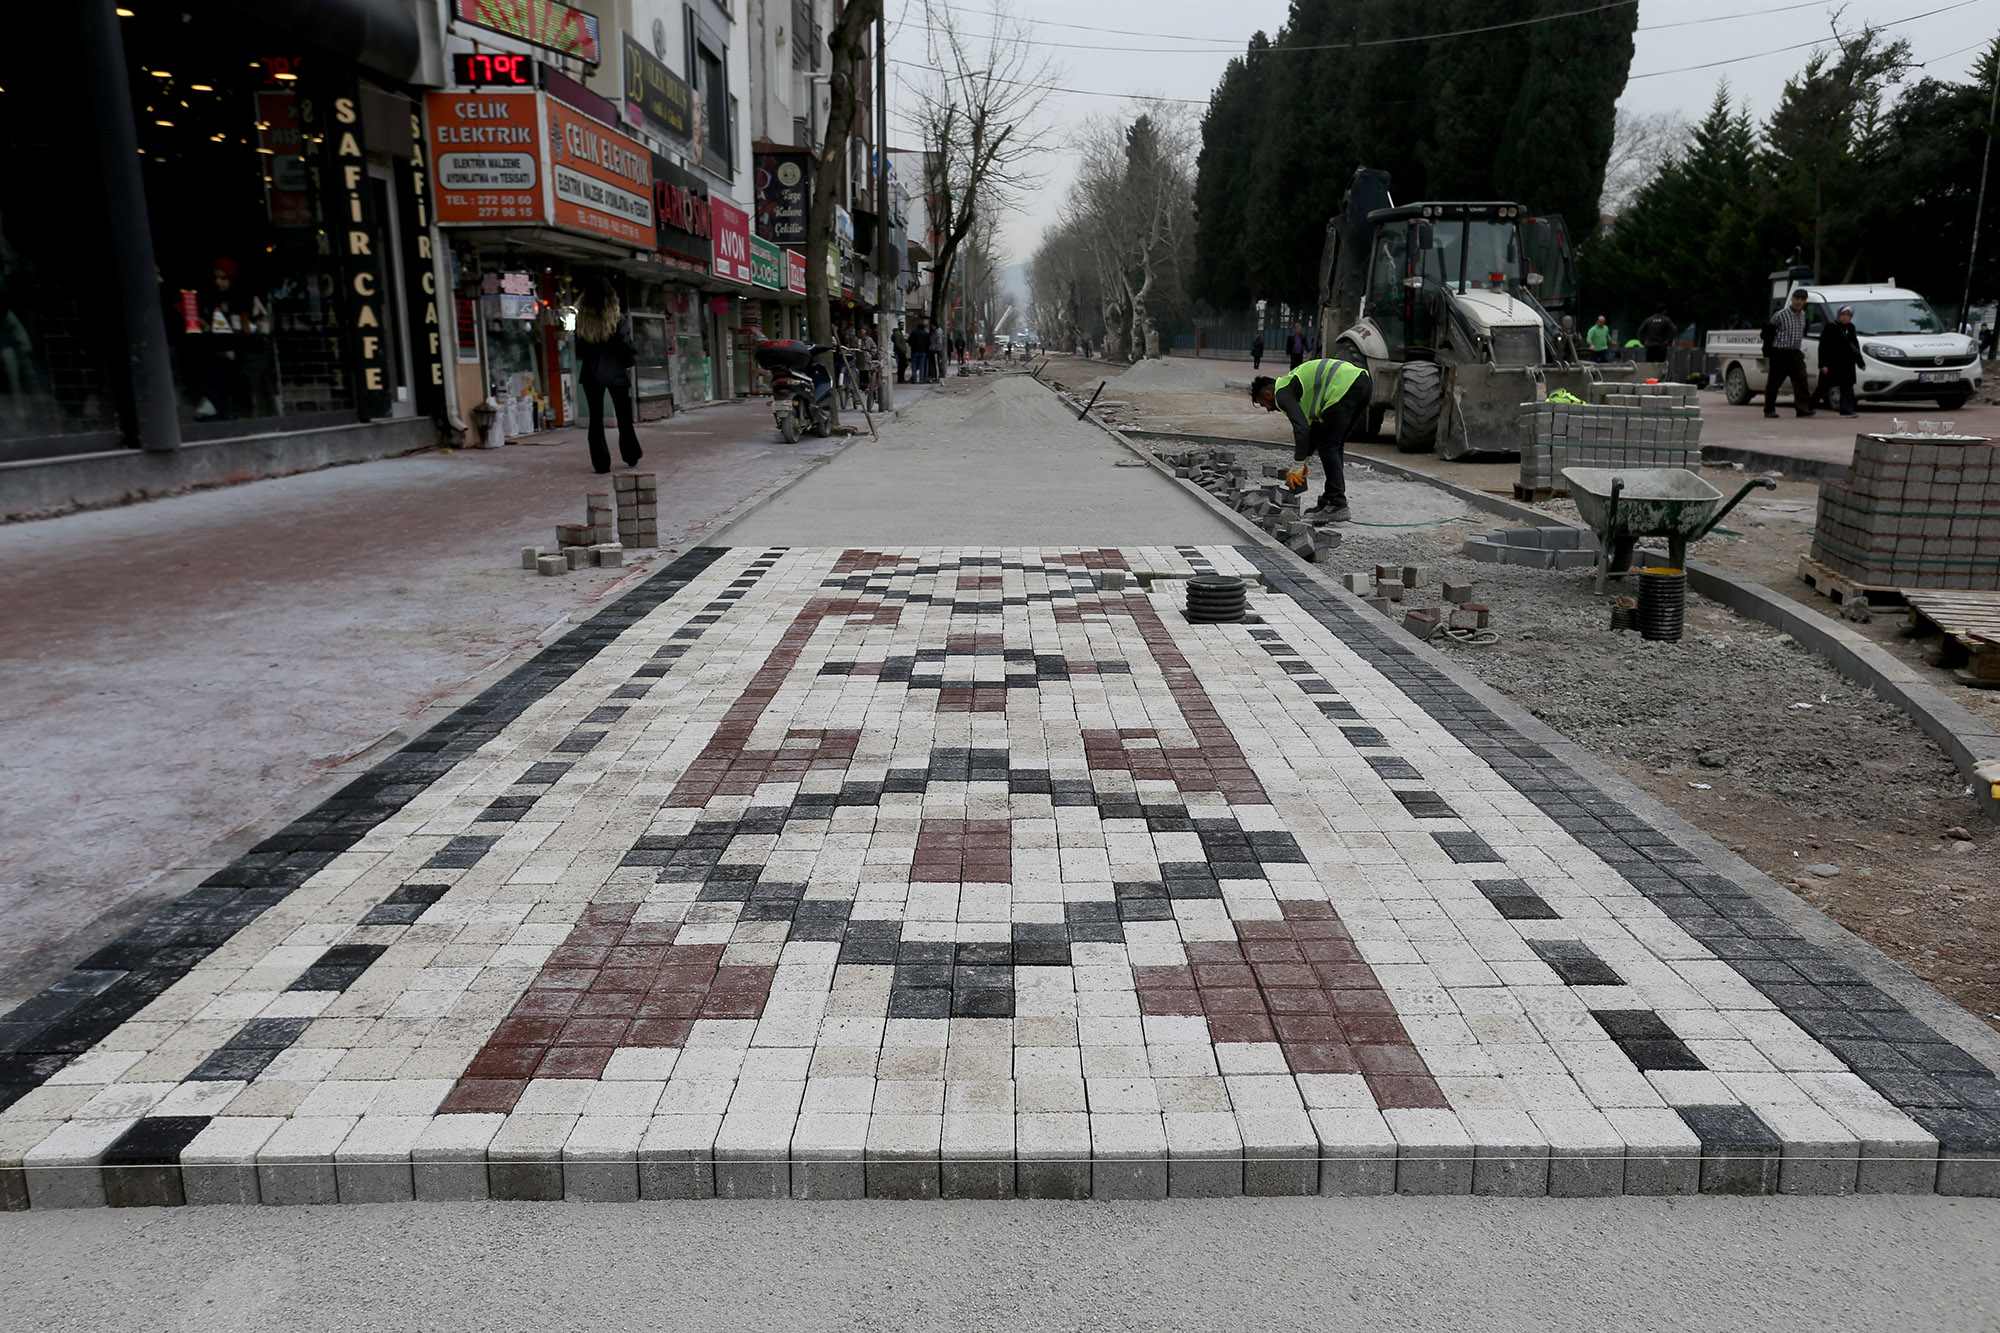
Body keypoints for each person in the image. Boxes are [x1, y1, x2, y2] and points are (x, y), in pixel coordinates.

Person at [1250, 357, 1372, 523]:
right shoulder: (1295, 388)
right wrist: (1305, 459)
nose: (1268, 409)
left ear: (1268, 394)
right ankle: (1331, 499)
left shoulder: (1282, 392)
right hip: (1361, 382)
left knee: (1329, 447)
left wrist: (1298, 465)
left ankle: (1337, 503)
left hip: (1344, 386)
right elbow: (1313, 429)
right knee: (1333, 445)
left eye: (1263, 404)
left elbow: (1301, 428)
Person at [572, 277, 644, 473]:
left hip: (590, 374)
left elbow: (578, 346)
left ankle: (601, 462)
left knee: (595, 419)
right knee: (623, 416)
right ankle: (630, 453)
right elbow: (627, 345)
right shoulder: (618, 319)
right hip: (616, 373)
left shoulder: (580, 320)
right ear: (611, 298)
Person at [1760, 288, 1815, 419]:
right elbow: (1768, 332)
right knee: (1774, 382)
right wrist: (1769, 350)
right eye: (1797, 299)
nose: (1799, 302)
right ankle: (1769, 409)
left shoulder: (1802, 315)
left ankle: (1802, 408)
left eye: (1802, 300)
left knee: (1801, 381)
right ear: (1792, 299)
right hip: (1780, 352)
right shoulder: (1781, 314)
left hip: (1795, 352)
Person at [1817, 303, 1866, 417]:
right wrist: (1823, 364)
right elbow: (1823, 346)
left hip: (1847, 364)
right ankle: (1808, 406)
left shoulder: (1851, 328)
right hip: (1832, 363)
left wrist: (1860, 362)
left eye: (1848, 315)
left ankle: (1846, 410)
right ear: (1838, 315)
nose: (1845, 317)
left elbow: (1855, 346)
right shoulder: (1831, 327)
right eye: (1843, 314)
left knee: (1847, 387)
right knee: (1823, 388)